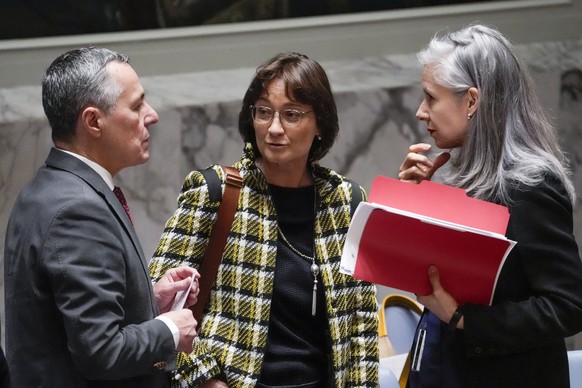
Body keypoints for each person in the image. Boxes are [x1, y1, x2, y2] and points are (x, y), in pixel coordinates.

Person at [149, 52, 379, 387]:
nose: (274, 128)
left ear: (320, 125)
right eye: (263, 112)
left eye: (292, 115)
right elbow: (157, 307)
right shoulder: (216, 191)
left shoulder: (346, 202)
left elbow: (361, 326)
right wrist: (203, 380)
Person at [3, 47, 200, 388]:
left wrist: (146, 299)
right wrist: (169, 329)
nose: (151, 115)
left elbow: (67, 317)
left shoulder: (48, 187)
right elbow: (101, 351)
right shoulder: (76, 210)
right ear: (93, 121)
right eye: (137, 106)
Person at [398, 24, 582, 387]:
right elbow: (430, 281)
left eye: (431, 98)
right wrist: (406, 201)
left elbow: (569, 306)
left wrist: (464, 319)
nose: (420, 112)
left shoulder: (530, 183)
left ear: (471, 101)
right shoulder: (457, 171)